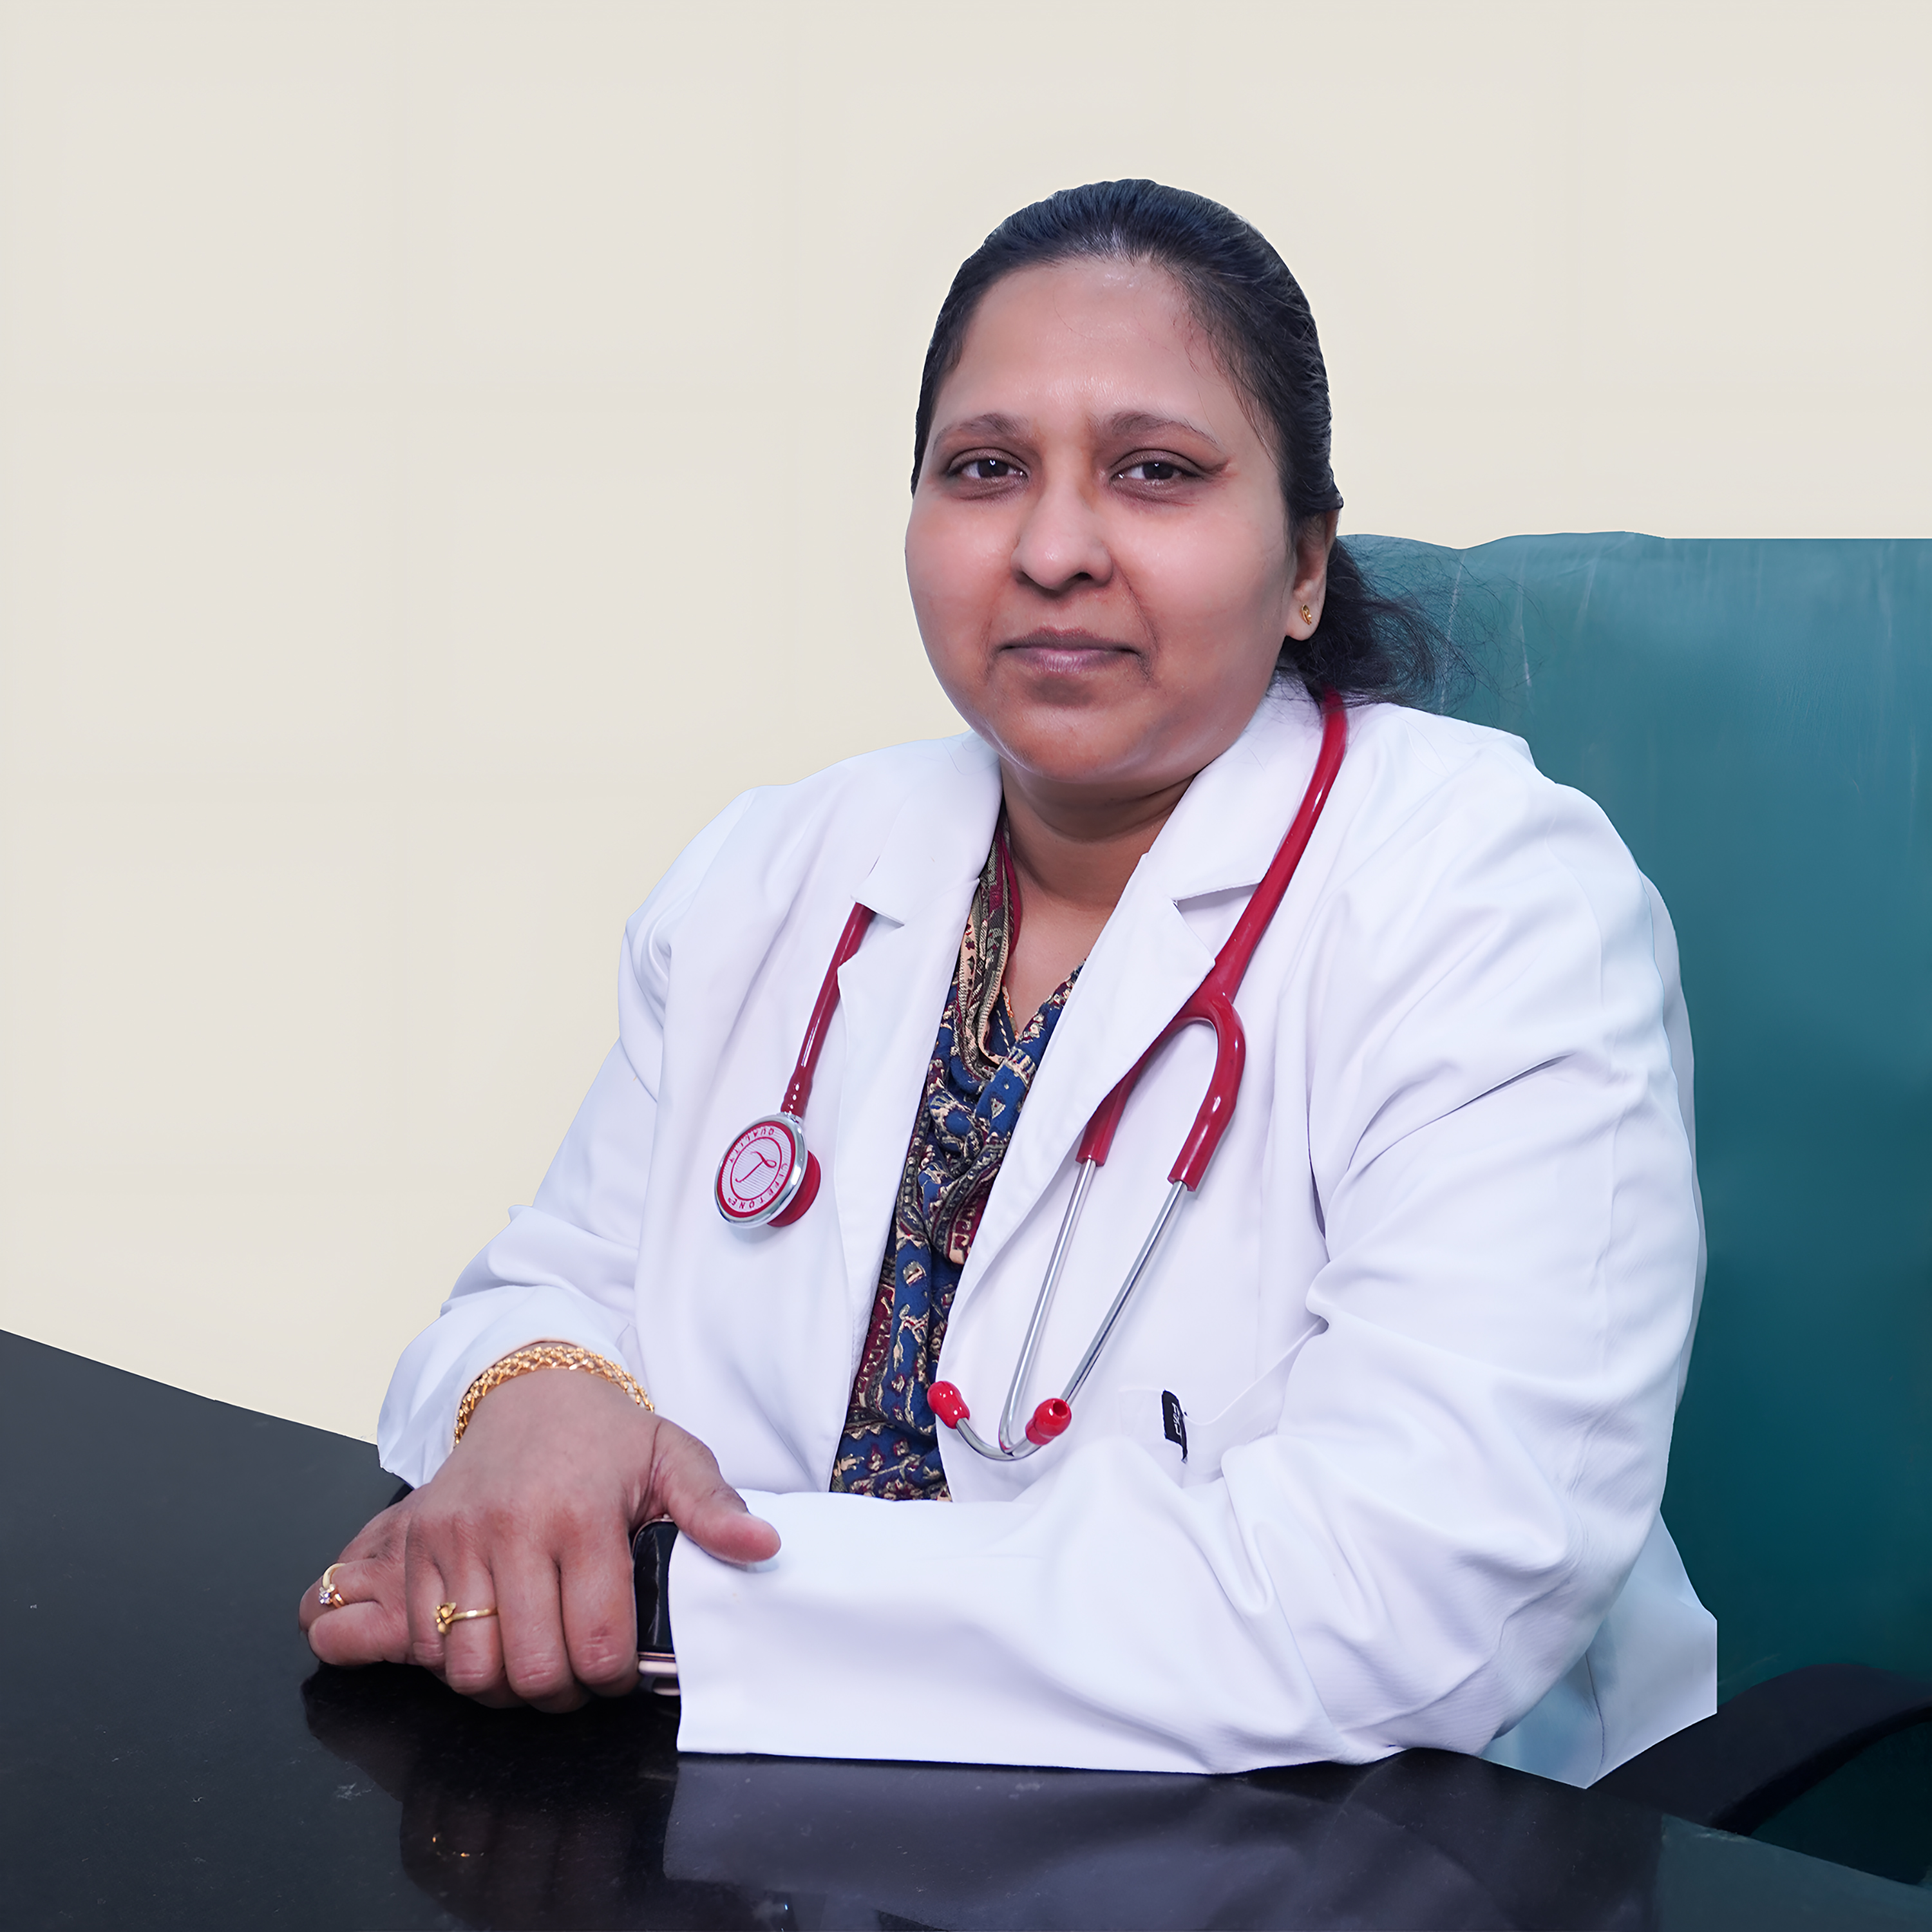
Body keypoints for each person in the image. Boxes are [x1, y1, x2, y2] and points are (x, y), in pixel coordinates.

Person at [301, 180, 1713, 1784]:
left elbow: (1423, 1581)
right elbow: (541, 1290)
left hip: (1343, 1841)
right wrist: (535, 1398)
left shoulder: (1497, 903)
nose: (1052, 549)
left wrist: (672, 1598)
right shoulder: (780, 868)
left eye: (1155, 473)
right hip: (768, 1807)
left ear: (1306, 563)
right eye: (985, 471)